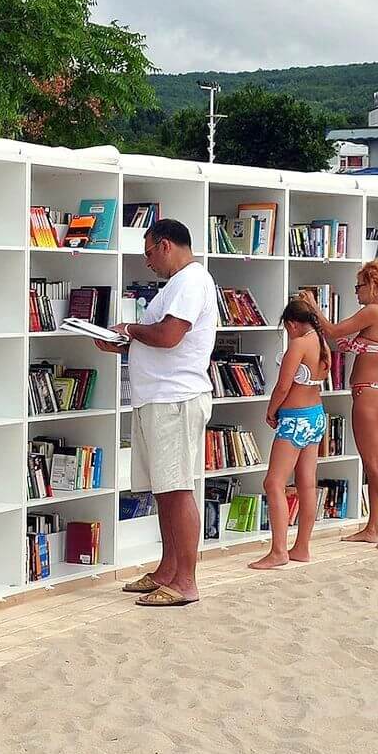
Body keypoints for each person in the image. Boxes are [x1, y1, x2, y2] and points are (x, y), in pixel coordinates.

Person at [101, 218, 217, 606]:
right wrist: (121, 344)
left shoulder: (190, 281)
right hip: (159, 399)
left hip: (175, 400)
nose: (147, 262)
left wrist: (129, 331)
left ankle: (185, 581)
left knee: (178, 488)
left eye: (149, 253)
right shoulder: (176, 285)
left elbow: (168, 336)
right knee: (165, 491)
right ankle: (168, 570)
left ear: (166, 245)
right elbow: (160, 340)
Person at [299, 260, 378, 549]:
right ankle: (373, 527)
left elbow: (334, 332)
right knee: (375, 463)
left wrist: (312, 306)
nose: (356, 292)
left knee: (372, 463)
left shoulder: (373, 311)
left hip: (369, 395)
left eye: (358, 286)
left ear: (372, 285)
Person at [249, 300, 331, 570]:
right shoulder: (322, 343)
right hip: (316, 415)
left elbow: (283, 386)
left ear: (292, 324)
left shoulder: (298, 344)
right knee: (307, 484)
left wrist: (271, 411)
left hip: (294, 420)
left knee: (274, 483)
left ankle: (278, 551)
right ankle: (302, 547)